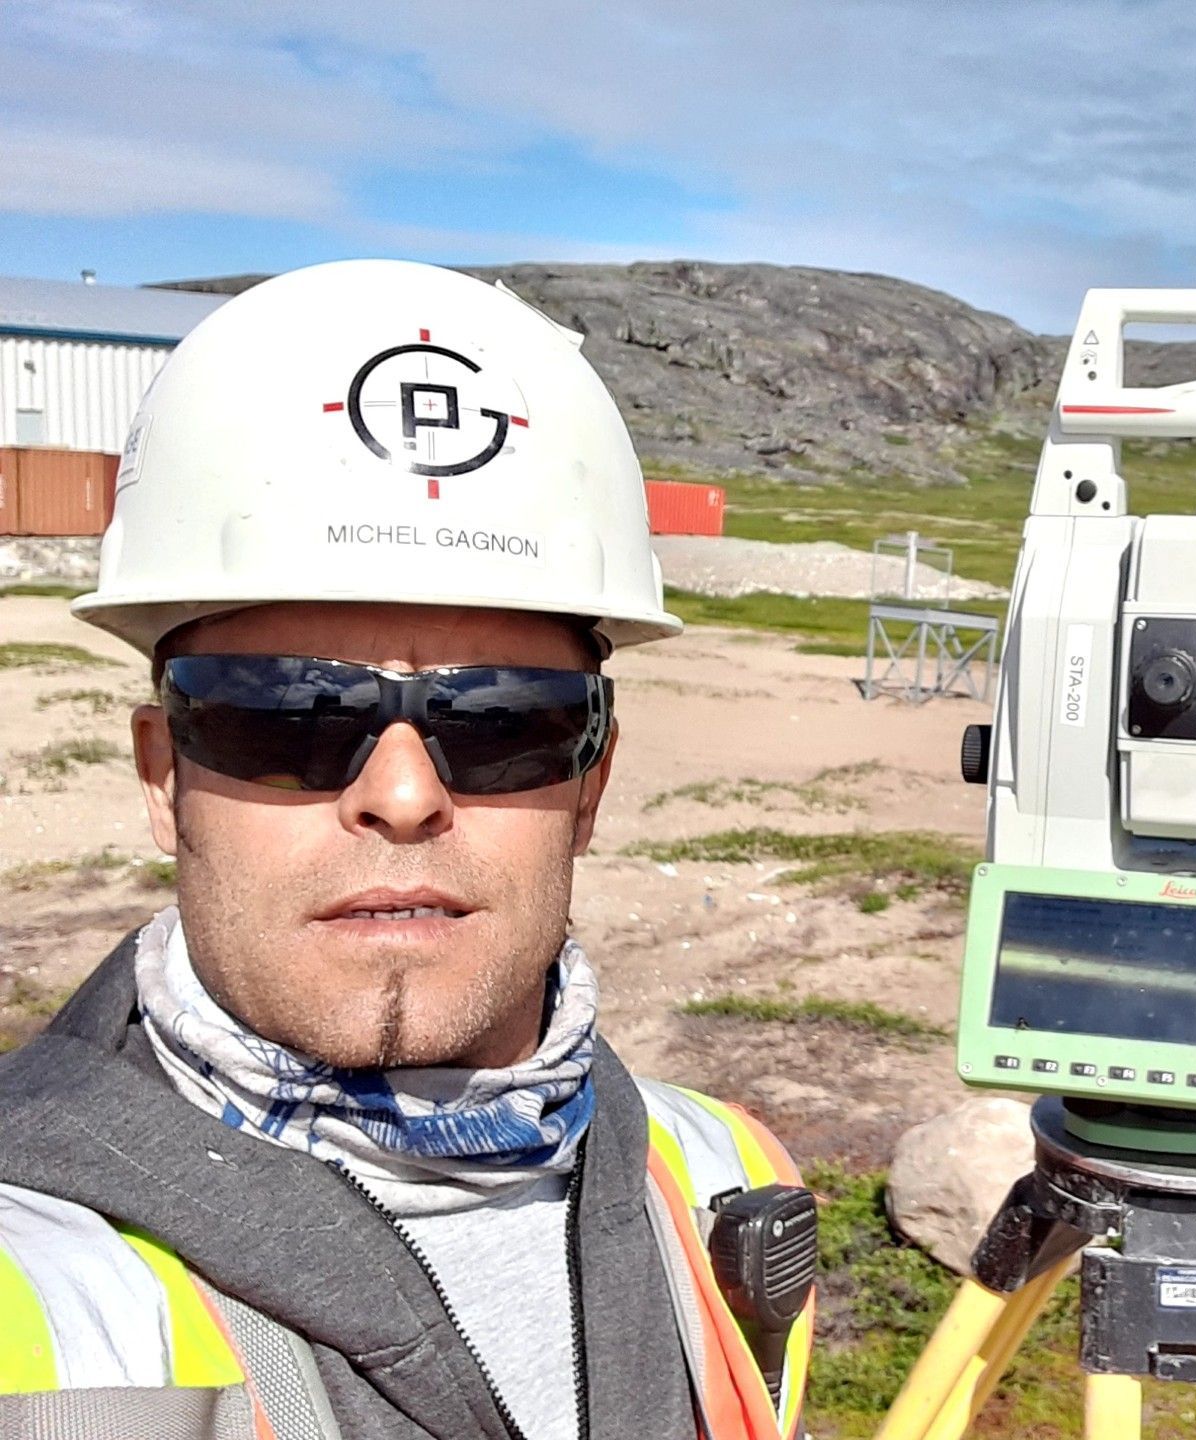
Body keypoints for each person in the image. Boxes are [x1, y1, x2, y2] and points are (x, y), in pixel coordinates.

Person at [0, 260, 813, 1440]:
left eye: (502, 722)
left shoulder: (726, 1177)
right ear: (163, 775)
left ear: (591, 784)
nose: (402, 794)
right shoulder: (42, 1287)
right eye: (284, 714)